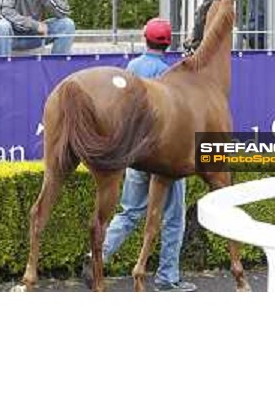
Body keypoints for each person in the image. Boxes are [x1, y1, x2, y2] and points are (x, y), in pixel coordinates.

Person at [82, 18, 196, 292]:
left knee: (130, 212)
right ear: (167, 43)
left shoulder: (132, 68)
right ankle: (168, 278)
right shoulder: (169, 73)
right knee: (173, 219)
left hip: (136, 154)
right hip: (166, 156)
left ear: (145, 39)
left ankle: (98, 255)